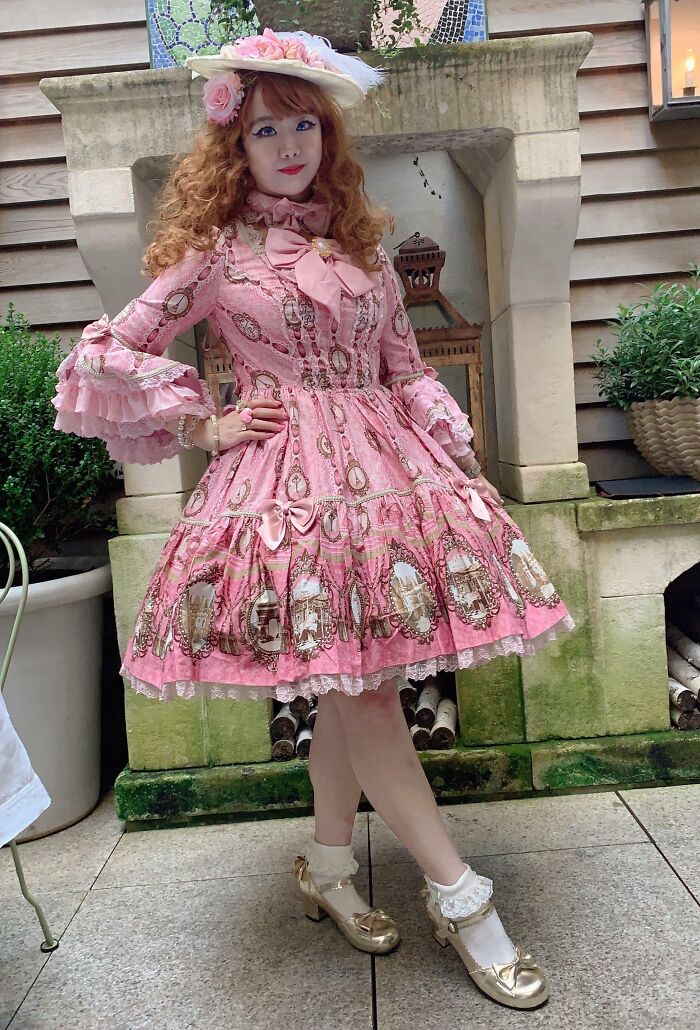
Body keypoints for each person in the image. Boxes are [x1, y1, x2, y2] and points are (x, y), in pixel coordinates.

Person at [52, 28, 576, 1010]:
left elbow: (405, 372)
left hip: (387, 486)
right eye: (264, 128)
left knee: (354, 686)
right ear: (234, 146)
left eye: (304, 124)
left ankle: (329, 868)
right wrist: (205, 417)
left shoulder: (362, 252)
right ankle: (463, 900)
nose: (288, 144)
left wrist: (453, 460)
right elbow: (110, 349)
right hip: (282, 497)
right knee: (372, 694)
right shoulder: (214, 253)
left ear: (324, 137)